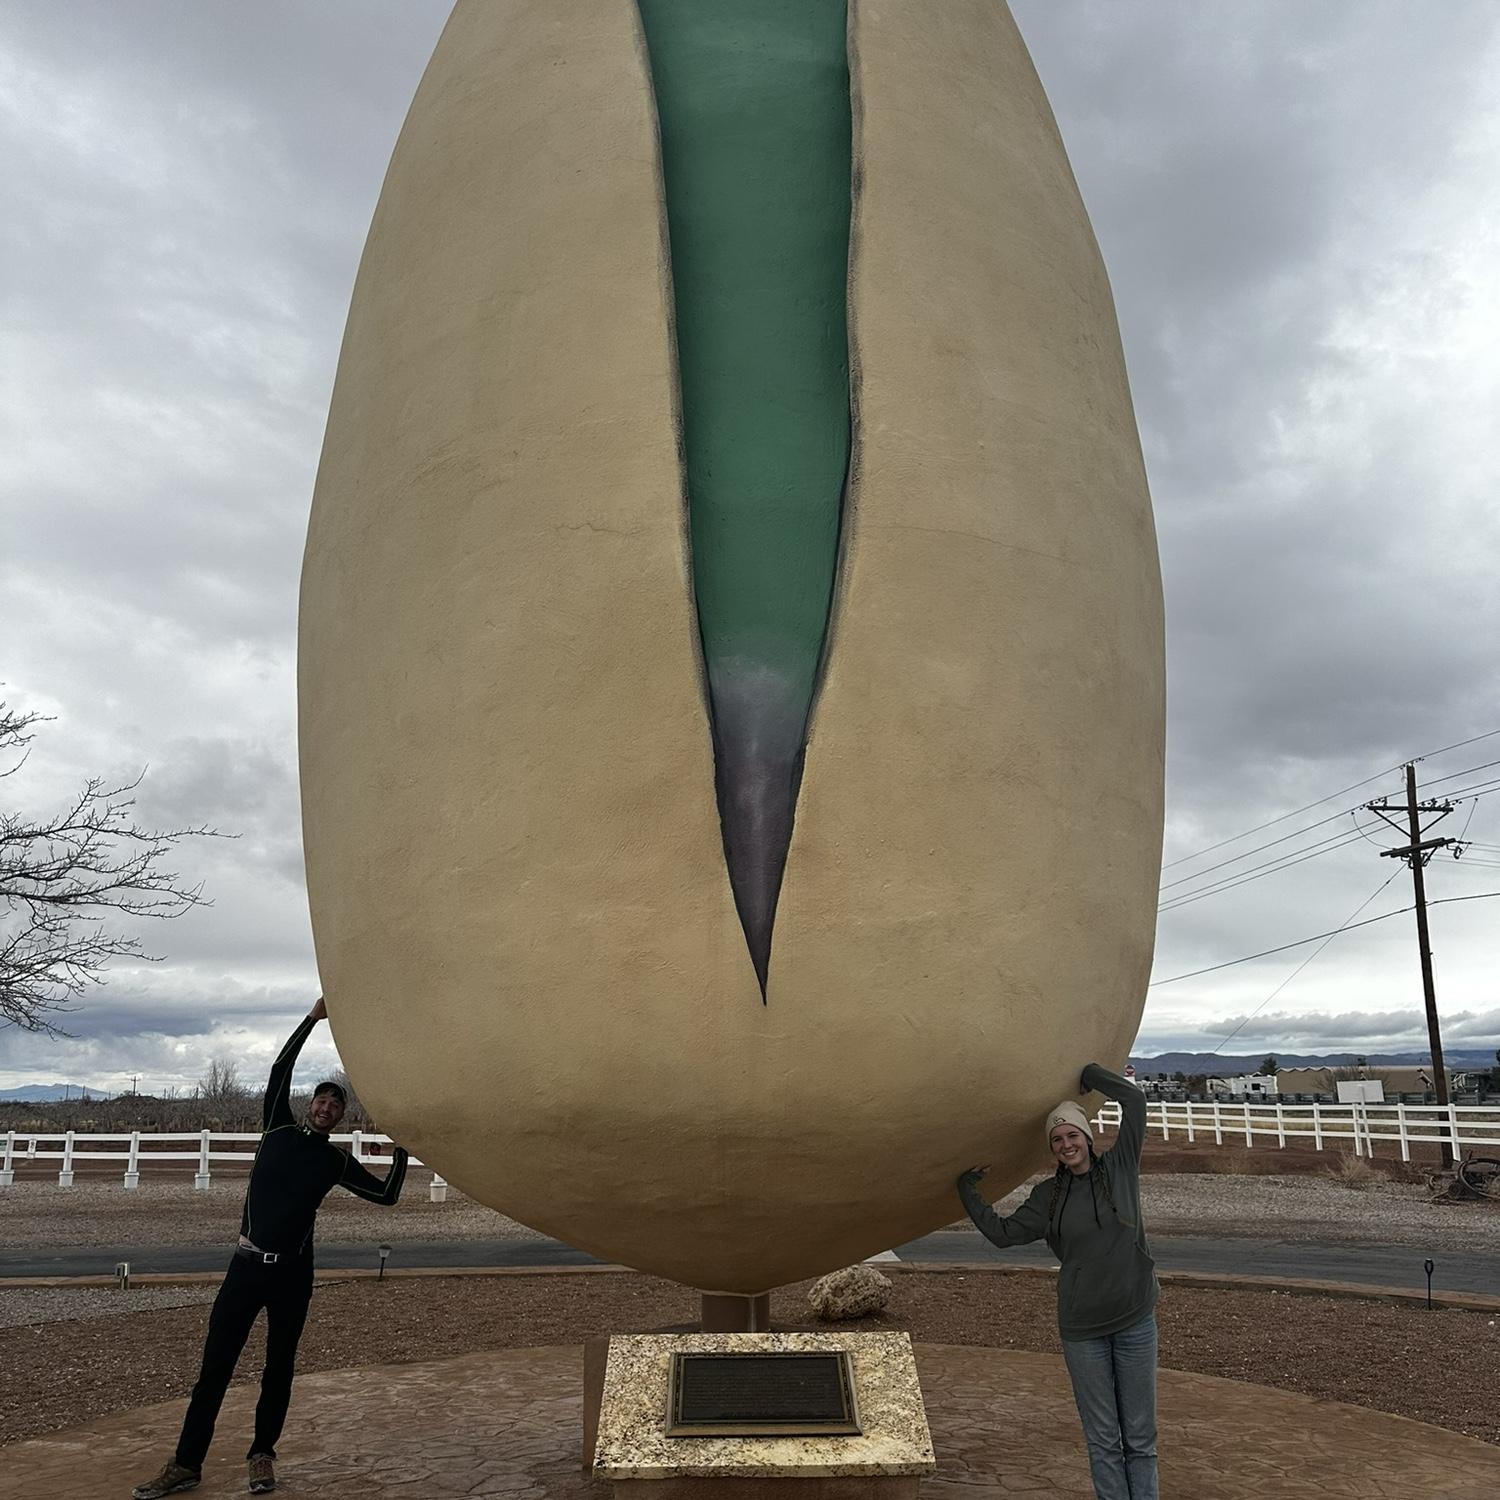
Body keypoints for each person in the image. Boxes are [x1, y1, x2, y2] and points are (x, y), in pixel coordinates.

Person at [132, 997, 409, 1499]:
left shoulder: (336, 1163)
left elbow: (386, 1196)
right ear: (311, 1105)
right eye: (322, 1100)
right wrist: (312, 1019)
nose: (326, 1107)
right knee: (214, 1369)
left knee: (278, 1369)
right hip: (244, 1268)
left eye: (336, 1104)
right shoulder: (276, 1128)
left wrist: (405, 1151)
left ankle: (263, 1457)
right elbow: (282, 1068)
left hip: (293, 1277)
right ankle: (186, 1463)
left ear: (342, 1116)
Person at [956, 1063, 1158, 1500]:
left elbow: (1134, 1100)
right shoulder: (1048, 1198)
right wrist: (968, 1188)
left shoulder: (1122, 1166)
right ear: (1053, 1148)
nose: (1066, 1144)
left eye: (1072, 1134)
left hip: (1135, 1321)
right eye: (1057, 1139)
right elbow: (1003, 1234)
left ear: (1087, 1137)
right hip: (1083, 1330)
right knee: (1104, 1440)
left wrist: (1089, 1074)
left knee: (1140, 1440)